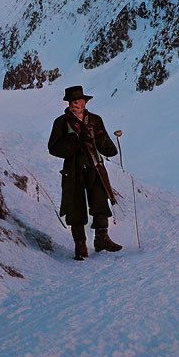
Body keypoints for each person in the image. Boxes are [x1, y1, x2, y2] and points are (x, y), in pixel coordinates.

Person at [48, 85, 122, 260]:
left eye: (78, 101)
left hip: (94, 166)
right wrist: (74, 141)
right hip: (73, 170)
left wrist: (109, 146)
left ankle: (101, 238)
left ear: (84, 102)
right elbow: (54, 148)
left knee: (100, 200)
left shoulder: (95, 120)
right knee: (75, 207)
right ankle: (80, 245)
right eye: (73, 101)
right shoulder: (61, 122)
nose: (76, 104)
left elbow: (106, 145)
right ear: (69, 103)